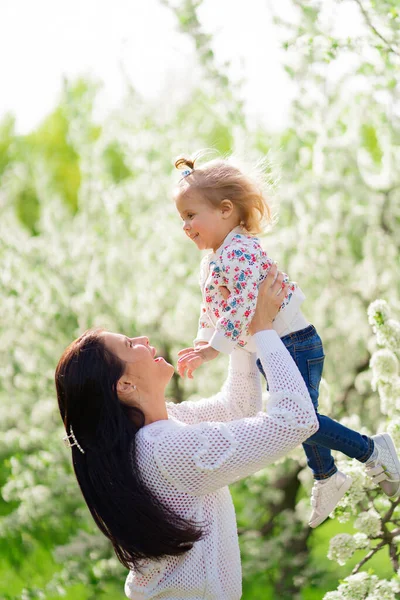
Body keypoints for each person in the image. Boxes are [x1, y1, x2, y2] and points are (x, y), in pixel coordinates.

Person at [56, 267, 321, 599]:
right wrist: (263, 331)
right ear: (124, 385)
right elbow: (296, 420)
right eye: (130, 344)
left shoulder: (156, 432)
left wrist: (238, 322)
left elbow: (237, 407)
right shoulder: (164, 448)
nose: (144, 340)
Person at [173, 152, 400, 528]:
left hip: (295, 343)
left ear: (226, 210)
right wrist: (203, 341)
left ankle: (371, 451)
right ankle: (328, 475)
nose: (185, 226)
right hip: (275, 348)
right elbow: (212, 306)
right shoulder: (214, 259)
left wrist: (216, 348)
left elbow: (246, 301)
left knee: (302, 419)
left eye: (191, 216)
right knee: (299, 417)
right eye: (182, 218)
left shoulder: (241, 250)